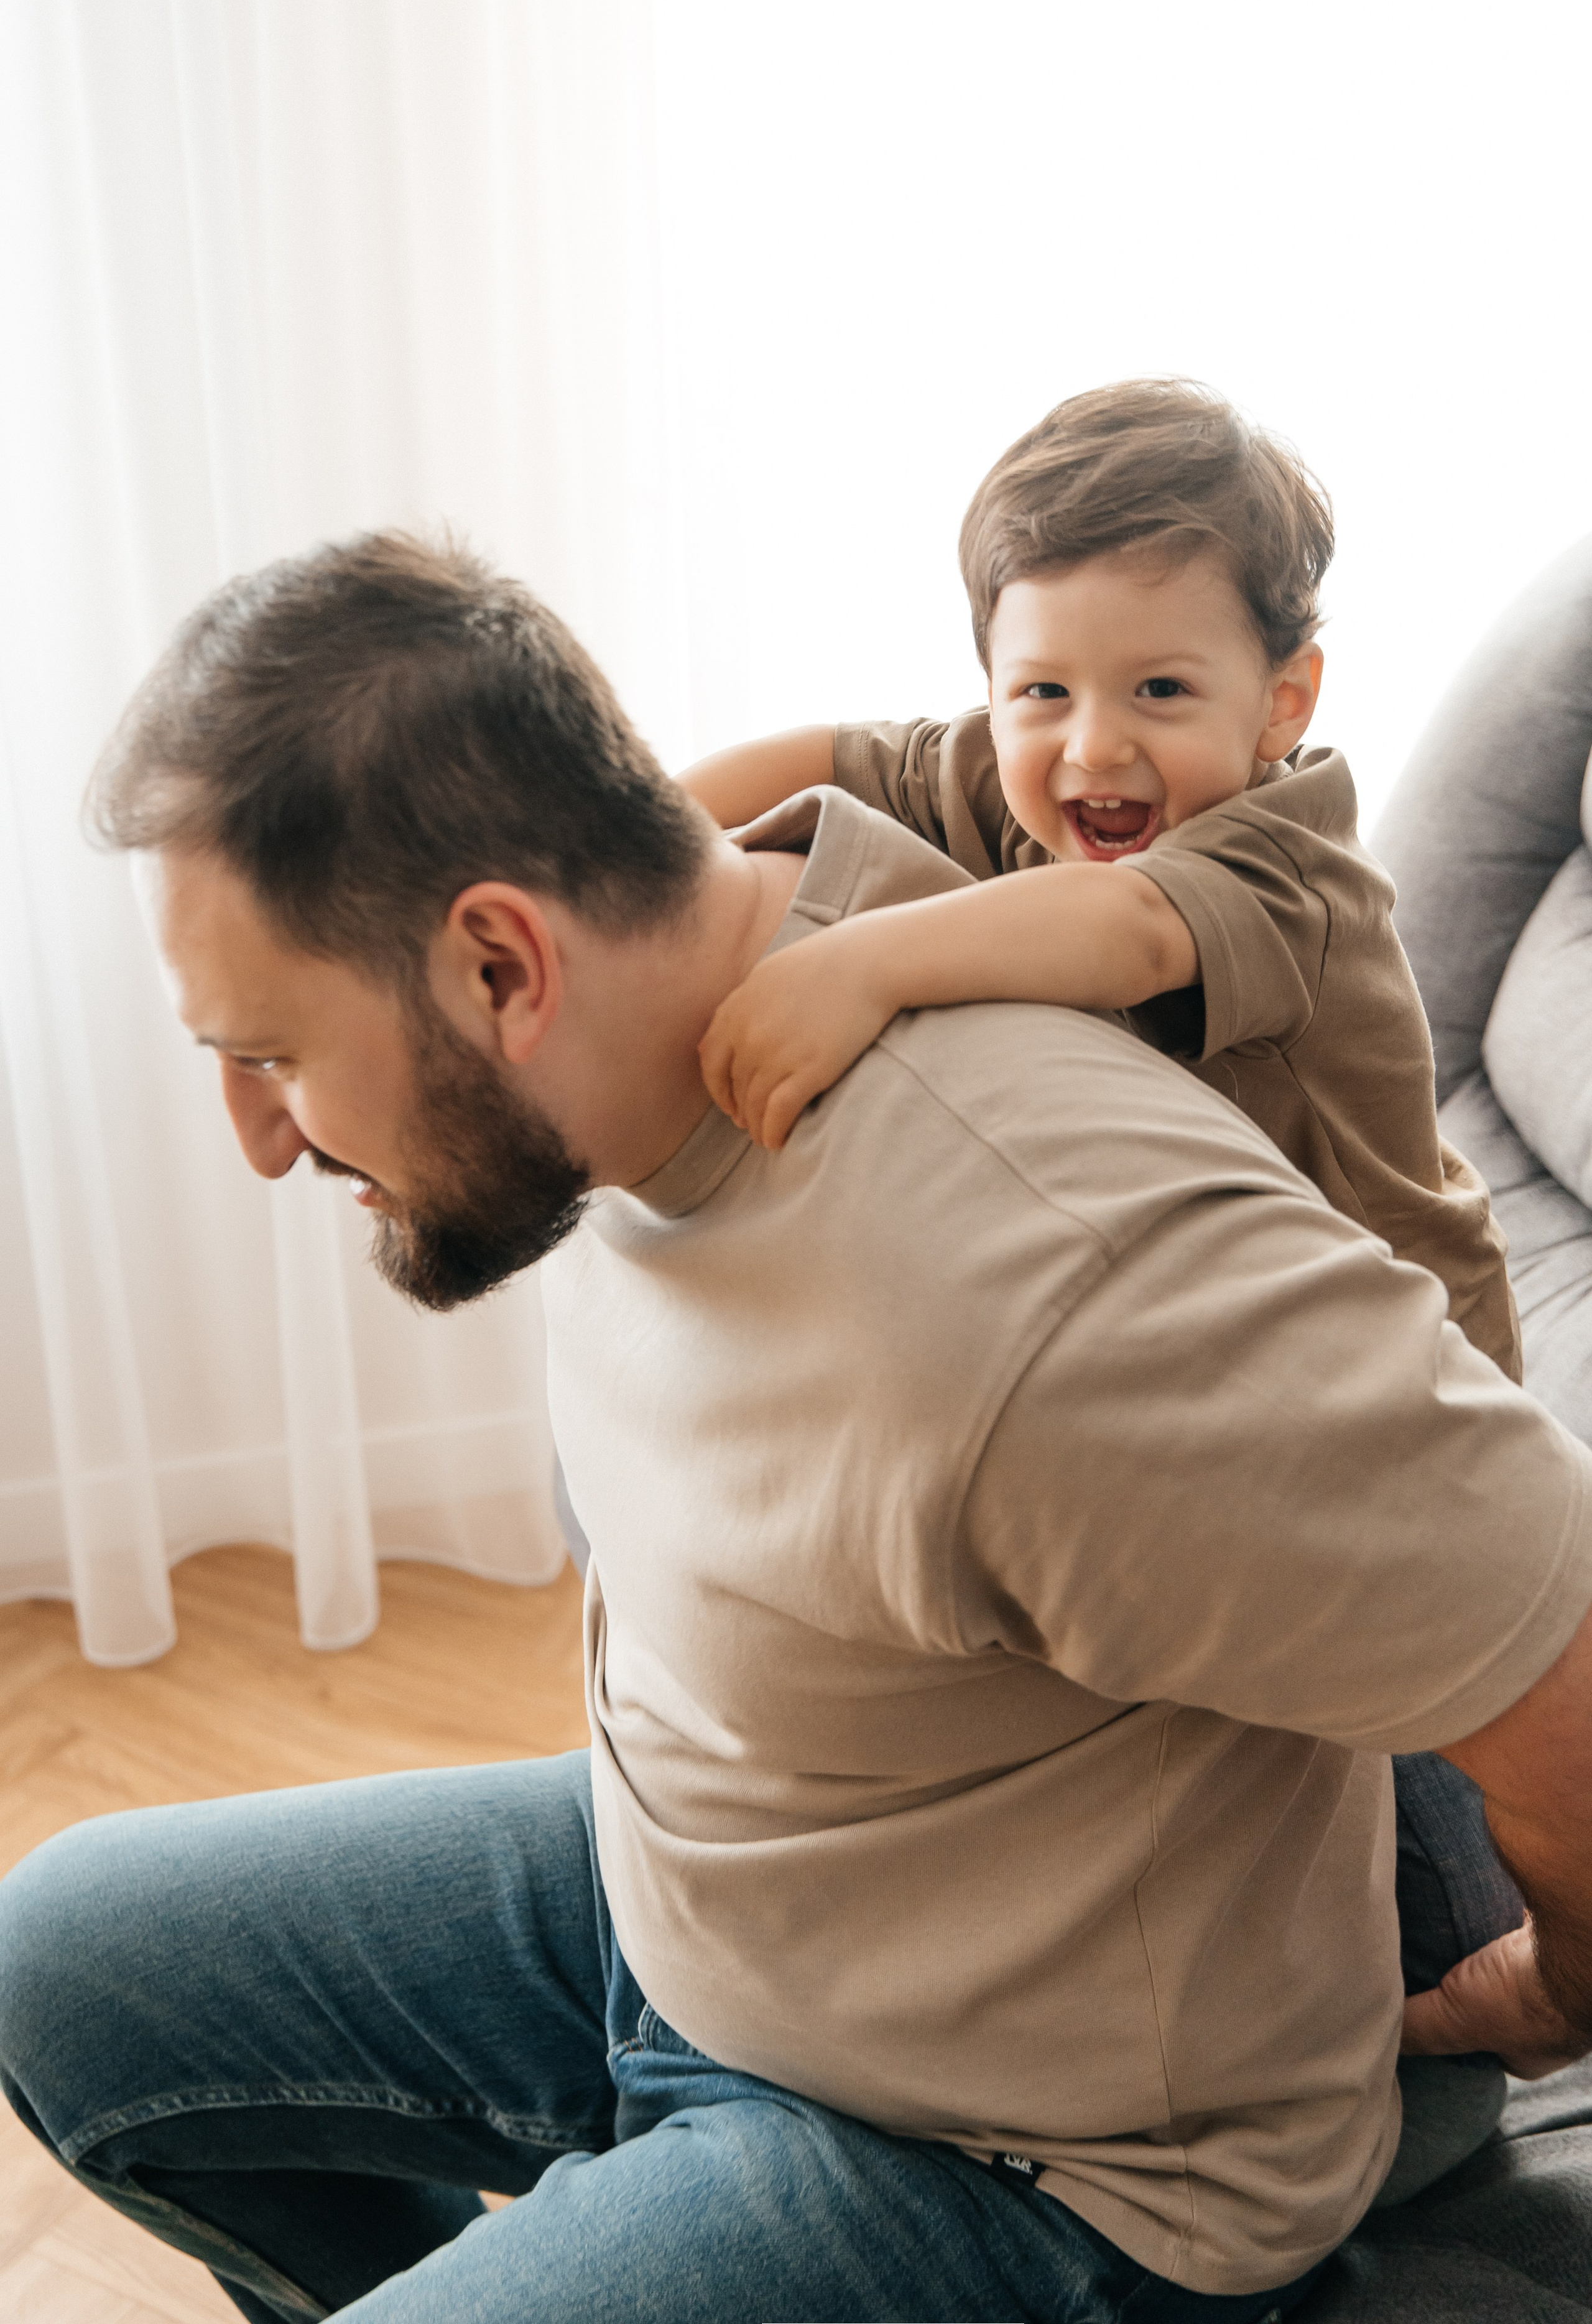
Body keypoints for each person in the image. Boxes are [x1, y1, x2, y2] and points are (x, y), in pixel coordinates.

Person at [3, 531, 1592, 2324]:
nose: (262, 1138)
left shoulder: (1054, 1272)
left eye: (273, 1053)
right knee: (63, 1969)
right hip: (722, 1901)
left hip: (1033, 2168)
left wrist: (1546, 1996)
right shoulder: (649, 992)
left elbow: (1572, 1663)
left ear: (499, 970)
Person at [681, 380, 1527, 2116]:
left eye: (1162, 692)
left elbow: (1125, 930)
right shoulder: (1022, 781)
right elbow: (834, 760)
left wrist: (862, 964)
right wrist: (641, 860)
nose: (1091, 753)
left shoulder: (1290, 862)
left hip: (1411, 1406)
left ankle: (1459, 2078)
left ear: (1286, 699)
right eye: (1042, 692)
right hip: (1212, 1393)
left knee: (1424, 1769)